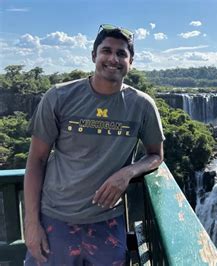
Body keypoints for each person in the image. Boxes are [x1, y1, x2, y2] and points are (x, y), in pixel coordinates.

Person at [23, 24, 165, 265]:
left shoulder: (142, 105)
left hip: (107, 220)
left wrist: (127, 173)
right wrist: (31, 225)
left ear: (131, 61)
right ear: (93, 56)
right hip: (55, 218)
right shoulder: (59, 97)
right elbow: (36, 160)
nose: (113, 58)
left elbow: (156, 155)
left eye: (121, 53)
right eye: (106, 51)